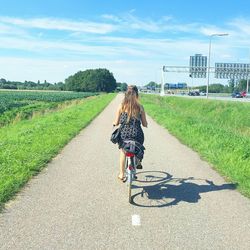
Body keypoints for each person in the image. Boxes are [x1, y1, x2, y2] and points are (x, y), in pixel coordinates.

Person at [113, 85, 148, 182]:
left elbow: (116, 122)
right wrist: (145, 124)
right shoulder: (140, 107)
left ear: (126, 94)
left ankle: (121, 173)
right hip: (137, 134)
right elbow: (144, 124)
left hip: (124, 134)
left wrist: (114, 124)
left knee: (123, 151)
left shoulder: (121, 106)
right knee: (138, 147)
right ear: (137, 95)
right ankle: (136, 162)